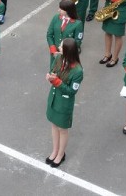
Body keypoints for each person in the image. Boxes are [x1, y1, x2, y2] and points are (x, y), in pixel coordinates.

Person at [45, 37, 83, 168]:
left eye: (61, 47)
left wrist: (56, 81)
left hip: (64, 103)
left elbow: (72, 91)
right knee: (54, 125)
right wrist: (50, 76)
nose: (59, 48)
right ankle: (55, 150)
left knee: (62, 129)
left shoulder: (78, 71)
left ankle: (61, 154)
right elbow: (53, 70)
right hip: (54, 98)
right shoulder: (59, 58)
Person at [46, 0, 83, 68]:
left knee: (65, 75)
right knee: (53, 72)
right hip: (55, 53)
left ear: (67, 11)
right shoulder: (56, 18)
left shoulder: (78, 24)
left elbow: (77, 42)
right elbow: (49, 35)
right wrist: (53, 50)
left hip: (68, 56)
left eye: (61, 9)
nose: (58, 10)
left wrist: (64, 52)